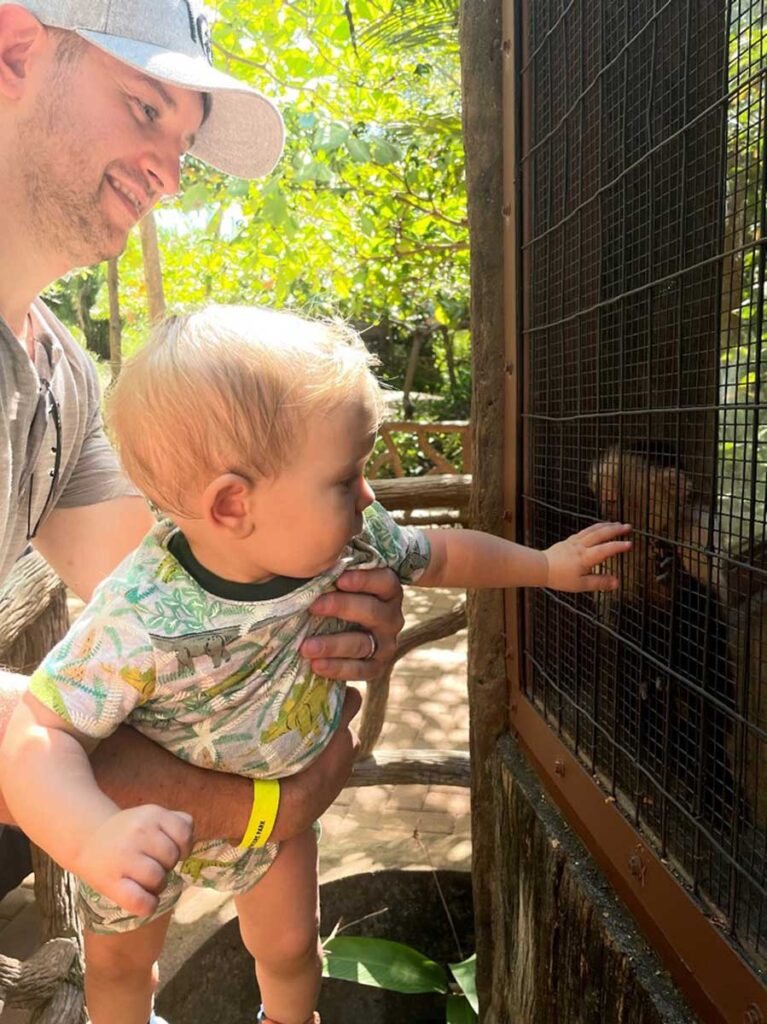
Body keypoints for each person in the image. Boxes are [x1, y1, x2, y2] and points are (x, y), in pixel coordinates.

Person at [0, 305, 633, 1024]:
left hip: (278, 815)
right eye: (344, 477)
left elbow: (442, 551)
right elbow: (38, 732)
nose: (369, 496)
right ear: (233, 503)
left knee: (293, 947)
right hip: (144, 829)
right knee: (118, 964)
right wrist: (91, 833)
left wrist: (544, 566)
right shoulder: (138, 616)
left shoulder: (349, 538)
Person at [0, 0, 406, 908]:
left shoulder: (63, 374)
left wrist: (322, 603)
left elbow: (186, 604)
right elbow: (53, 714)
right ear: (14, 49)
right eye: (146, 108)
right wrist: (271, 806)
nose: (170, 177)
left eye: (182, 141)